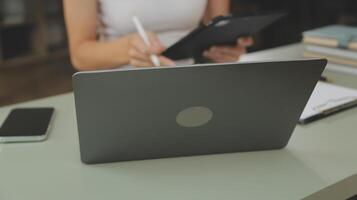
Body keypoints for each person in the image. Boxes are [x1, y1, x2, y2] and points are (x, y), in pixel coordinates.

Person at [63, 0, 253, 71]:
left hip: (194, 79)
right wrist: (127, 49)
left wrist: (225, 48)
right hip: (122, 85)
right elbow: (80, 54)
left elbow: (217, 26)